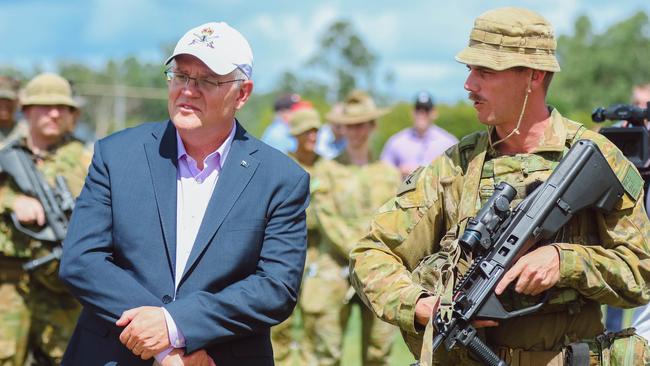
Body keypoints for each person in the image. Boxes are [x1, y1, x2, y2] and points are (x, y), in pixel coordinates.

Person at [349, 7, 650, 366]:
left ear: (534, 76)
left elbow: (641, 272)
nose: (469, 85)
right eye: (469, 70)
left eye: (486, 72)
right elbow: (370, 253)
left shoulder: (597, 159)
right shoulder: (455, 167)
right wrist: (421, 306)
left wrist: (564, 260)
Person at [59, 22, 309, 366]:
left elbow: (275, 288)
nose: (188, 90)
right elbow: (81, 261)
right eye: (180, 76)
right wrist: (165, 345)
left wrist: (176, 325)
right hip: (112, 354)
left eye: (206, 80)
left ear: (243, 93)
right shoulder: (116, 155)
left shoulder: (281, 178)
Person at [0, 72, 90, 365]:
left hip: (62, 285)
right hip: (10, 282)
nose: (54, 113)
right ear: (25, 110)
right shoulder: (7, 153)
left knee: (67, 358)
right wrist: (13, 201)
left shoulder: (88, 158)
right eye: (45, 106)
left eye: (62, 107)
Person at [305, 90, 400, 366]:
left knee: (378, 353)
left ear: (372, 126)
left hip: (380, 274)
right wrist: (361, 253)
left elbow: (396, 222)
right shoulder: (326, 171)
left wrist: (374, 259)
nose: (356, 132)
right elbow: (326, 217)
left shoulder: (388, 173)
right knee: (327, 353)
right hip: (333, 269)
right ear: (341, 128)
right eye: (350, 125)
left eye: (362, 124)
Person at [271, 106, 326, 366]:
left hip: (318, 253)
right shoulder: (281, 164)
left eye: (316, 130)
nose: (312, 136)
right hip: (284, 249)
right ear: (296, 134)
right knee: (280, 321)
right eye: (307, 131)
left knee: (314, 321)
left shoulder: (328, 167)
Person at [380, 91, 458, 177]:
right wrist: (398, 172)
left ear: (434, 113)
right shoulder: (396, 142)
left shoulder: (448, 142)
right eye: (418, 109)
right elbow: (382, 173)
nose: (422, 114)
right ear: (412, 112)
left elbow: (458, 171)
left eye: (426, 110)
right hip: (404, 189)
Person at [0, 76, 27, 147]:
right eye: (0, 100)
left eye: (8, 100)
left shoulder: (27, 132)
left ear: (17, 102)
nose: (3, 104)